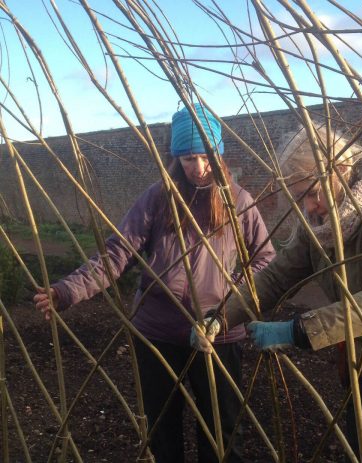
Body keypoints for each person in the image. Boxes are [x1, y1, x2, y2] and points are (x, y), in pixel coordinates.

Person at [197, 125, 362, 462]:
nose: (309, 207)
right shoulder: (321, 223)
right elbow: (276, 277)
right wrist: (221, 318)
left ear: (339, 171)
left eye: (312, 193)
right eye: (300, 198)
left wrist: (295, 331)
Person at [34, 103, 275, 463]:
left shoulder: (238, 201)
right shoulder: (158, 198)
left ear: (218, 153)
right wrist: (66, 291)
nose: (199, 167)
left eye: (205, 156)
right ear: (175, 158)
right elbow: (117, 254)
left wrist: (229, 295)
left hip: (219, 334)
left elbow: (265, 259)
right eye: (189, 158)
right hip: (158, 333)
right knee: (162, 433)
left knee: (223, 433)